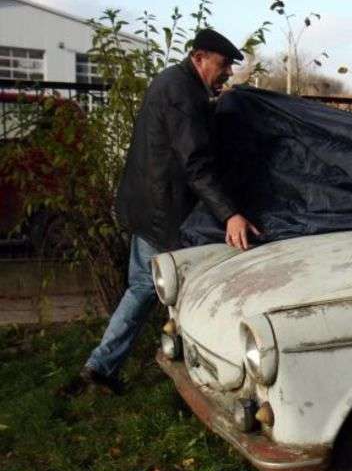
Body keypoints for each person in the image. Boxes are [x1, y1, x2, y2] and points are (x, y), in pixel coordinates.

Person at [75, 28, 259, 395]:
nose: (226, 73)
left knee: (143, 287)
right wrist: (230, 215)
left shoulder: (177, 84)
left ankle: (101, 365)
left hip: (147, 204)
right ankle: (194, 368)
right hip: (161, 210)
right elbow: (195, 164)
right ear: (199, 58)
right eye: (222, 65)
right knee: (181, 288)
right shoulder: (182, 94)